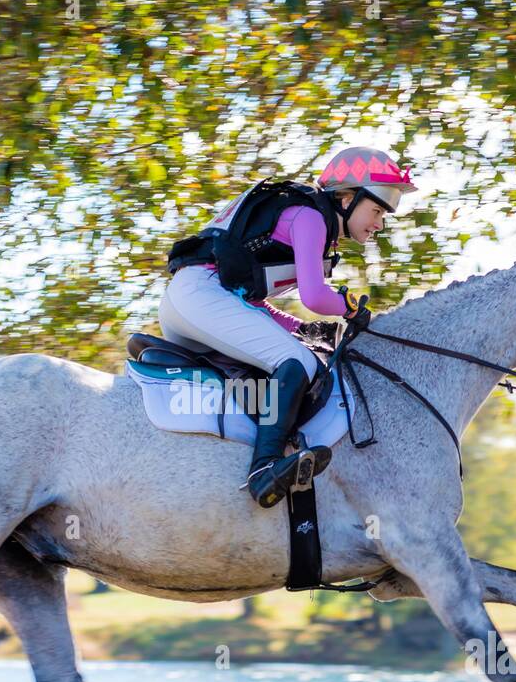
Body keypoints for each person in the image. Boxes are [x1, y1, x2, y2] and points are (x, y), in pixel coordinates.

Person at [161, 147, 417, 508]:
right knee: (299, 363)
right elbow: (315, 295)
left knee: (290, 360)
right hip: (200, 296)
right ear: (346, 197)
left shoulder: (311, 221)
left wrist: (305, 330)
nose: (379, 224)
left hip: (196, 301)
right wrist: (350, 308)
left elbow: (250, 304)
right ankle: (263, 470)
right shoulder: (310, 217)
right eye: (376, 210)